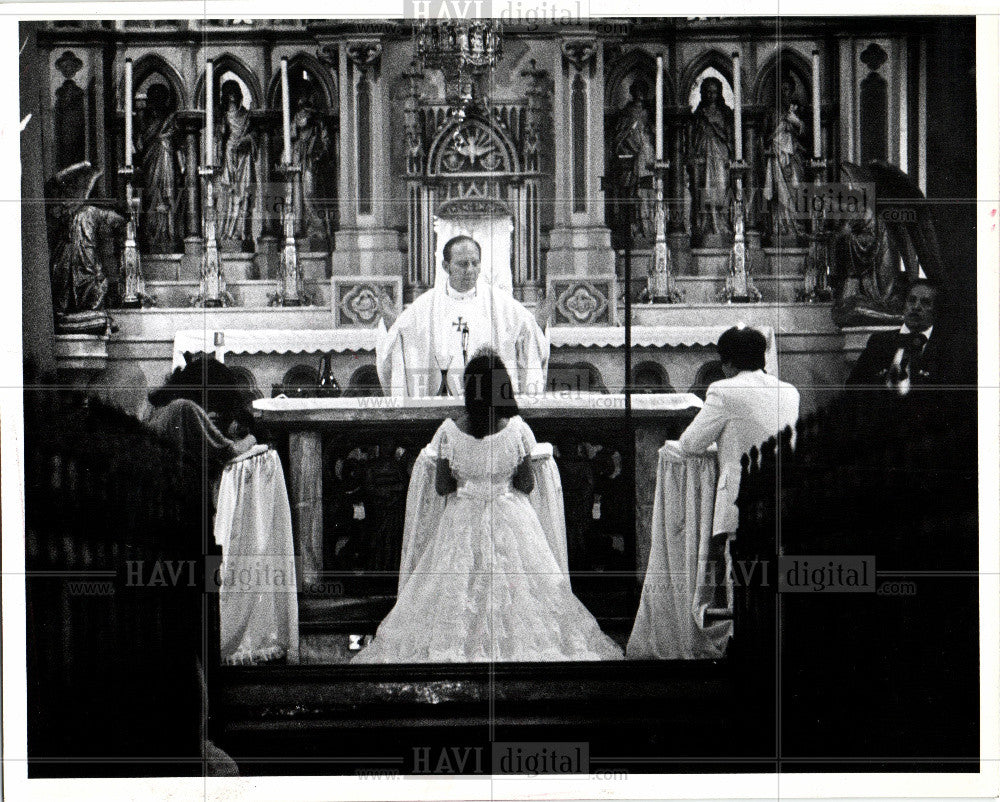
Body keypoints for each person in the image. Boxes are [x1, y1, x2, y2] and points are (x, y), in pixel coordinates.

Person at [353, 350, 623, 663]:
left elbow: (442, 487)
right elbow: (526, 484)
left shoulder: (450, 430)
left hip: (462, 516)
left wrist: (470, 484)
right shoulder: (516, 429)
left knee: (455, 585)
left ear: (469, 389)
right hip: (511, 516)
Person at [376, 235, 550, 397]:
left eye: (475, 263)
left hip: (490, 403)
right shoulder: (425, 306)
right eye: (462, 264)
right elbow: (398, 344)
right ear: (446, 266)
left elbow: (529, 340)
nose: (470, 270)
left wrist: (540, 323)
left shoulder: (501, 303)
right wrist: (391, 324)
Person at [680, 326, 800, 539]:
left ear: (729, 363)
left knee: (742, 569)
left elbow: (690, 443)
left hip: (743, 496)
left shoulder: (724, 390)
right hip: (785, 494)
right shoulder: (790, 391)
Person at [846, 279, 944, 392]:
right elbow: (853, 386)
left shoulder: (946, 346)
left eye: (925, 302)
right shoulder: (879, 341)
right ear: (904, 306)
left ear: (936, 310)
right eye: (911, 301)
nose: (916, 307)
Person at [688, 77, 734, 246]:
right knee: (703, 191)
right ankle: (705, 226)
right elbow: (692, 138)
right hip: (703, 157)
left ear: (719, 93)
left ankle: (721, 225)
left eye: (714, 92)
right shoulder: (698, 114)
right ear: (702, 93)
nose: (711, 95)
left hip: (720, 156)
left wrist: (716, 126)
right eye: (707, 91)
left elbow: (730, 136)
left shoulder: (725, 113)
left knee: (721, 190)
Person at [762, 74, 806, 246]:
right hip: (776, 157)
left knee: (795, 190)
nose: (784, 93)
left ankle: (795, 225)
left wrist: (796, 122)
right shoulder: (772, 112)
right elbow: (764, 135)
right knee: (778, 194)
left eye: (787, 89)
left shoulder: (797, 110)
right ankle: (779, 227)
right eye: (781, 90)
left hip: (793, 156)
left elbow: (807, 135)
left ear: (792, 90)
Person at [215, 80, 256, 249]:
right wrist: (220, 134)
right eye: (228, 93)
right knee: (228, 195)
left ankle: (241, 232)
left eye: (234, 93)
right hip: (228, 157)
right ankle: (226, 232)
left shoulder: (247, 116)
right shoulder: (222, 117)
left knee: (244, 194)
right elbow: (217, 139)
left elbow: (255, 136)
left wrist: (247, 140)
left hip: (244, 158)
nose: (231, 97)